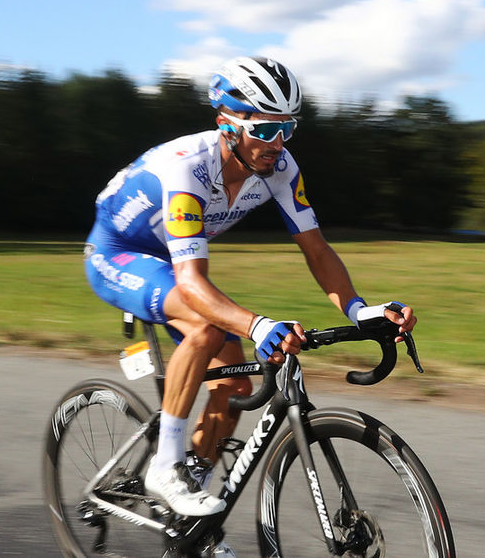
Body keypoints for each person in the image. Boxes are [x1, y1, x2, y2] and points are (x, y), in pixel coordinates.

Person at [83, 56, 416, 520]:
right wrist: (258, 325)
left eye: (287, 129)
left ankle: (187, 508)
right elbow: (192, 283)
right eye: (263, 130)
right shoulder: (188, 169)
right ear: (227, 124)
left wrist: (360, 311)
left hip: (174, 264)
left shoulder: (280, 167)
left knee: (235, 384)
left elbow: (317, 250)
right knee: (205, 328)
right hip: (118, 253)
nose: (275, 144)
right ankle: (165, 466)